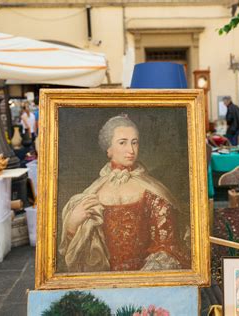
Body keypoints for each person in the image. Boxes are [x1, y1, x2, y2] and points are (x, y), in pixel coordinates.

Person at [59, 114, 190, 272]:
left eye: (134, 143)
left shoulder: (153, 190)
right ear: (108, 150)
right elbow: (82, 255)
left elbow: (167, 246)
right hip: (104, 280)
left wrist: (138, 281)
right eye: (123, 143)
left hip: (145, 279)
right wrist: (73, 224)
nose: (131, 150)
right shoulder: (93, 192)